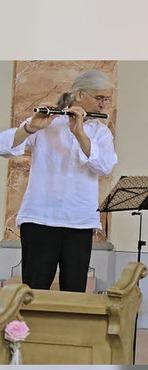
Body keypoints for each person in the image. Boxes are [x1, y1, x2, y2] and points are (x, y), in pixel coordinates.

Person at [0, 70, 117, 292]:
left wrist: (80, 134)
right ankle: (29, 327)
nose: (104, 104)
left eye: (107, 99)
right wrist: (29, 128)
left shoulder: (101, 133)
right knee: (34, 289)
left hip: (79, 221)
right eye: (100, 98)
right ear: (80, 95)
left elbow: (104, 166)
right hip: (40, 218)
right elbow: (3, 146)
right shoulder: (48, 122)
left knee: (74, 291)